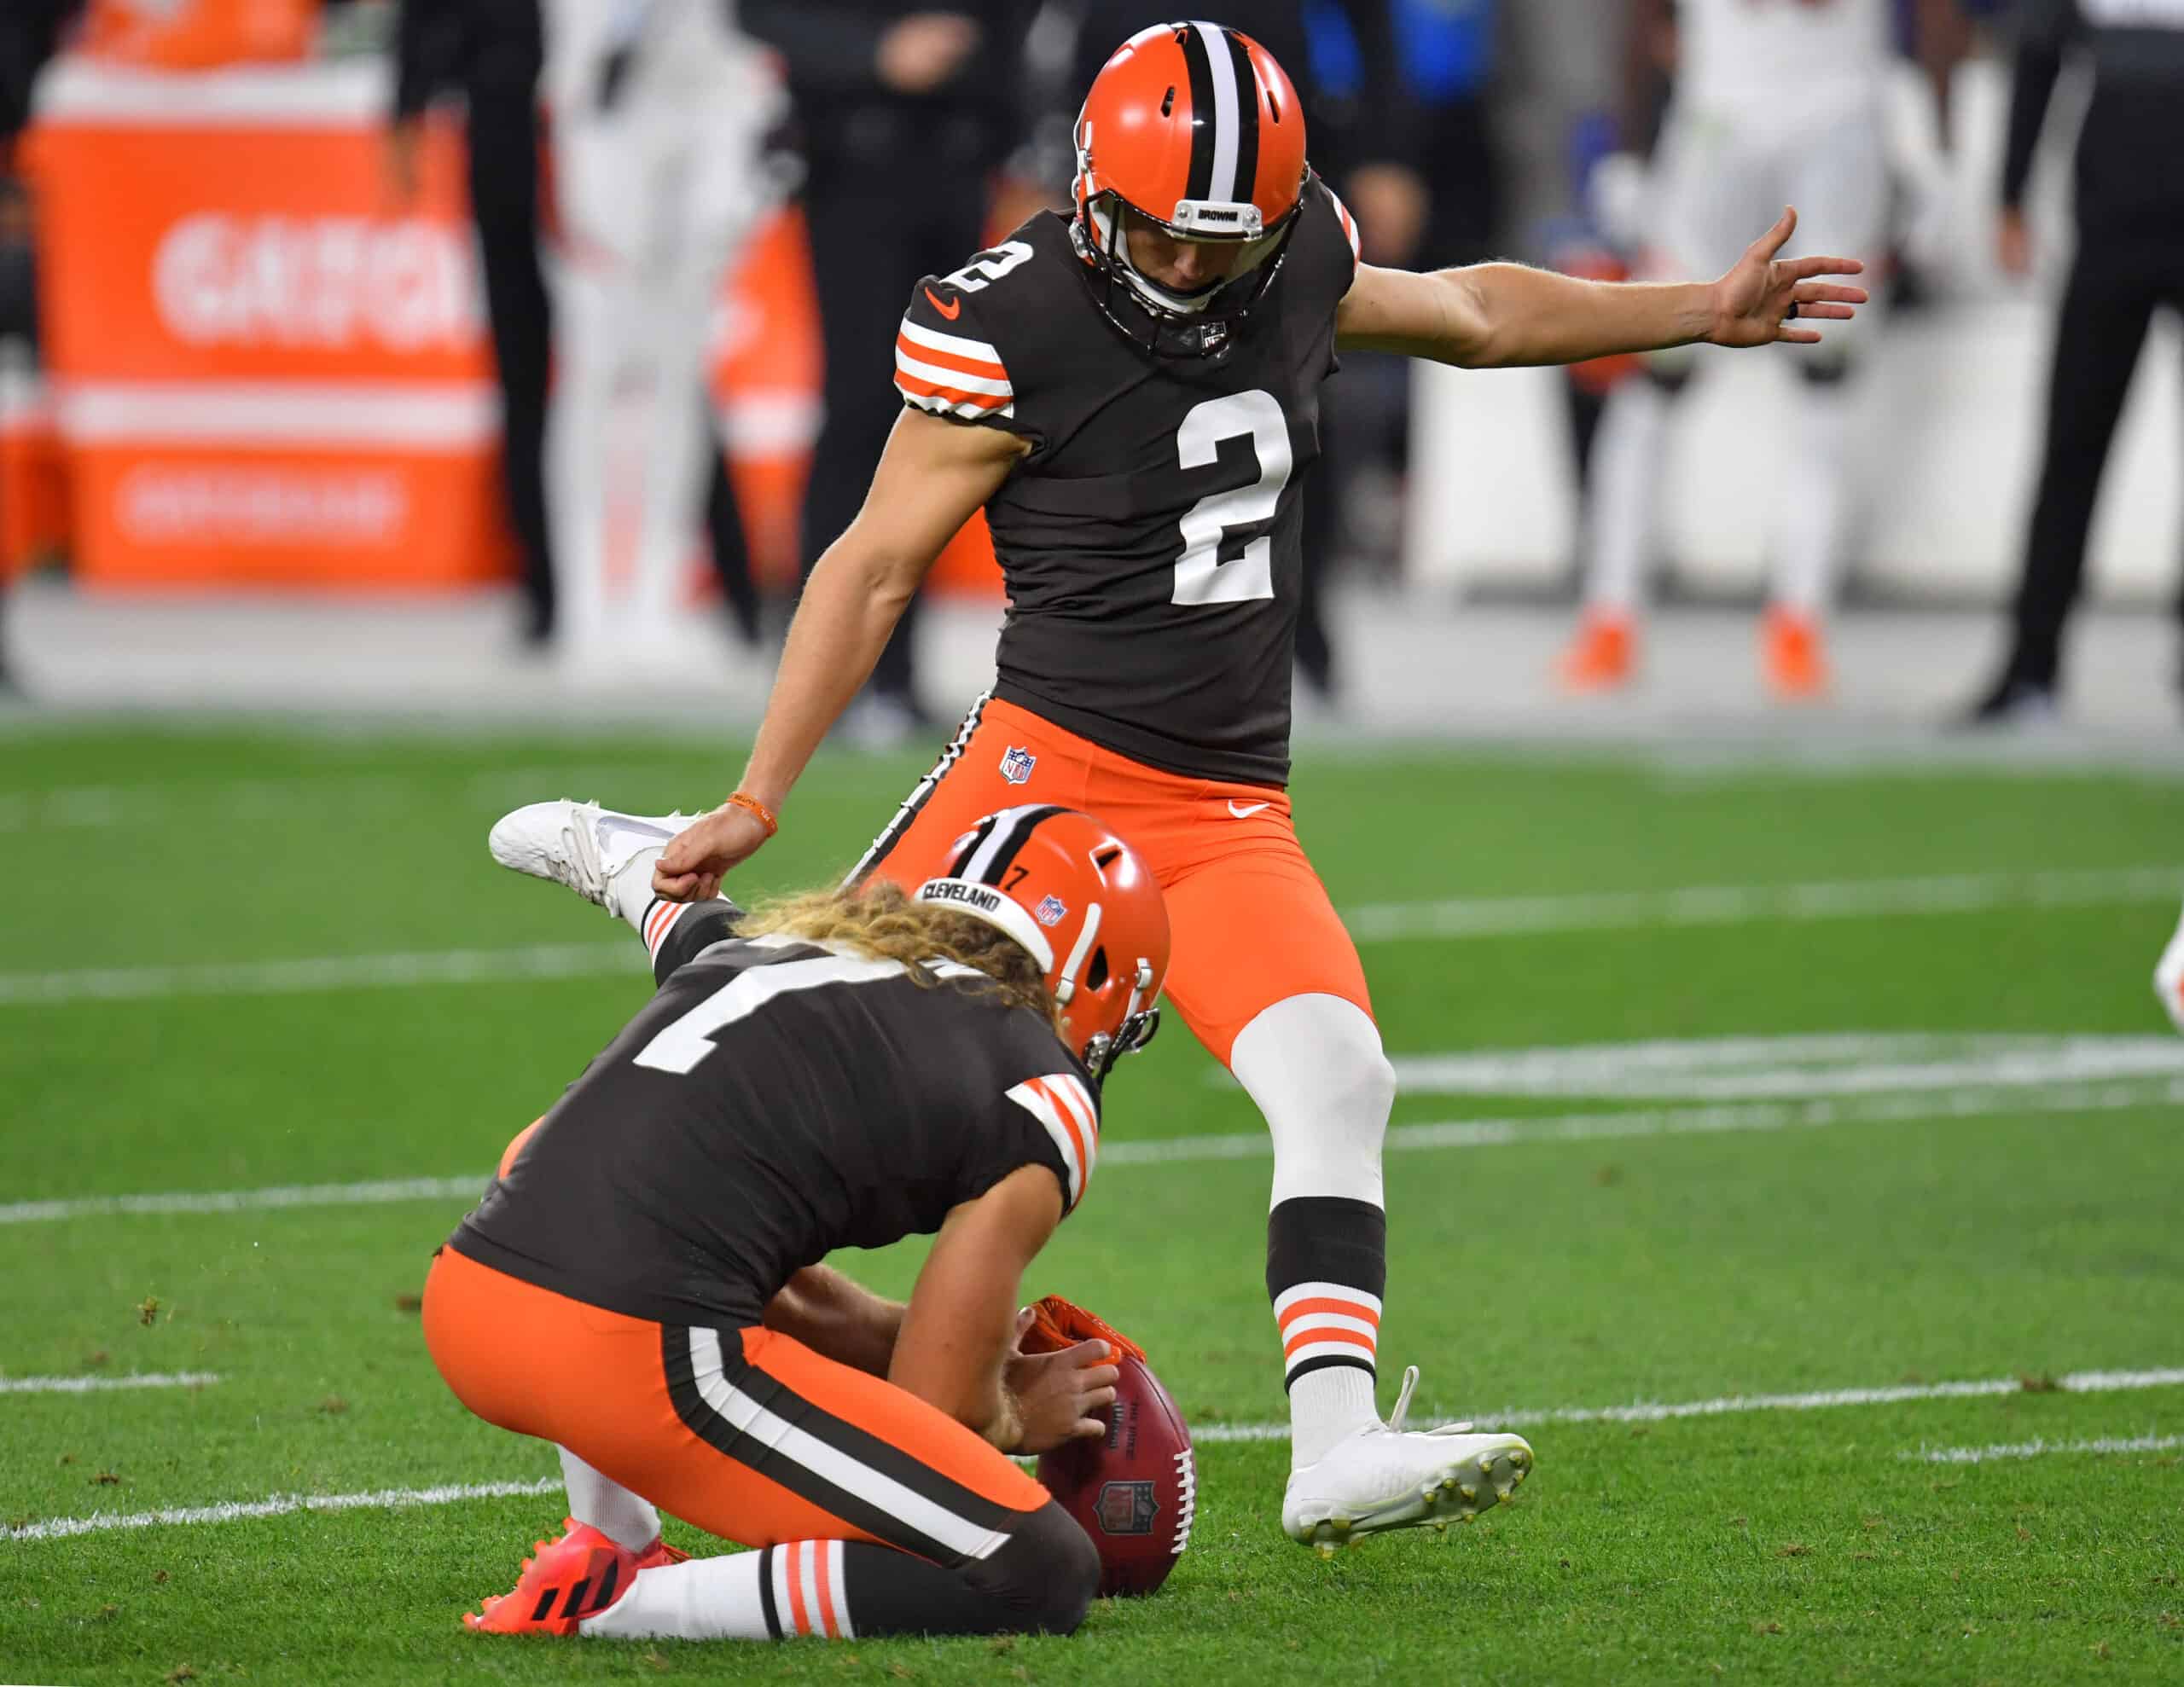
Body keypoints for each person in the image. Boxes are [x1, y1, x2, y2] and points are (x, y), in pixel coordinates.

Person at [649, 20, 1860, 1550]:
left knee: (1338, 1075)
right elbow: (873, 564)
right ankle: (665, 1406)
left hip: (1225, 806)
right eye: (1162, 230)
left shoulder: (1293, 255)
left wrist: (1696, 306)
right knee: (854, 1127)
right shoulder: (1007, 316)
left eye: (1225, 239)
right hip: (1037, 788)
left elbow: (1475, 310)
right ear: (1094, 189)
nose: (1192, 266)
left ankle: (1334, 1443)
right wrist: (762, 792)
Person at [428, 797, 1188, 1640]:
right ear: (1091, 972)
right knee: (1036, 1570)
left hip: (473, 1306)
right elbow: (939, 1404)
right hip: (632, 1353)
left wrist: (960, 1340)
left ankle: (613, 1537)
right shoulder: (1042, 1089)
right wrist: (1007, 1412)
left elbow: (666, 902)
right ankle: (615, 1605)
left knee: (593, 1165)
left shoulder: (766, 946)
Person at [1556, 0, 1948, 699]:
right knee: (1656, 366)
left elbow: (1936, 12)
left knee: (1826, 377)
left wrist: (1932, 142)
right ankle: (1611, 614)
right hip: (1723, 120)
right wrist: (1628, 148)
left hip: (1837, 120)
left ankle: (1799, 617)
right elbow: (1643, 14)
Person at [739, 2, 1034, 743]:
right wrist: (874, 54)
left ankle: (897, 673)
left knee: (938, 418)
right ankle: (822, 674)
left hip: (961, 162)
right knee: (858, 414)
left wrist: (1015, 124)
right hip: (854, 166)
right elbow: (759, 13)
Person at [1959, 0, 2184, 727]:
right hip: (2110, 231)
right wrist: (2010, 198)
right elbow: (2038, 56)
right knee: (2070, 450)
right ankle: (2032, 666)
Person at [540, 0, 781, 671]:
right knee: (595, 364)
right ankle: (585, 600)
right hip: (608, 101)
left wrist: (750, 122)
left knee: (680, 371)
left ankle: (656, 596)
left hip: (711, 96)